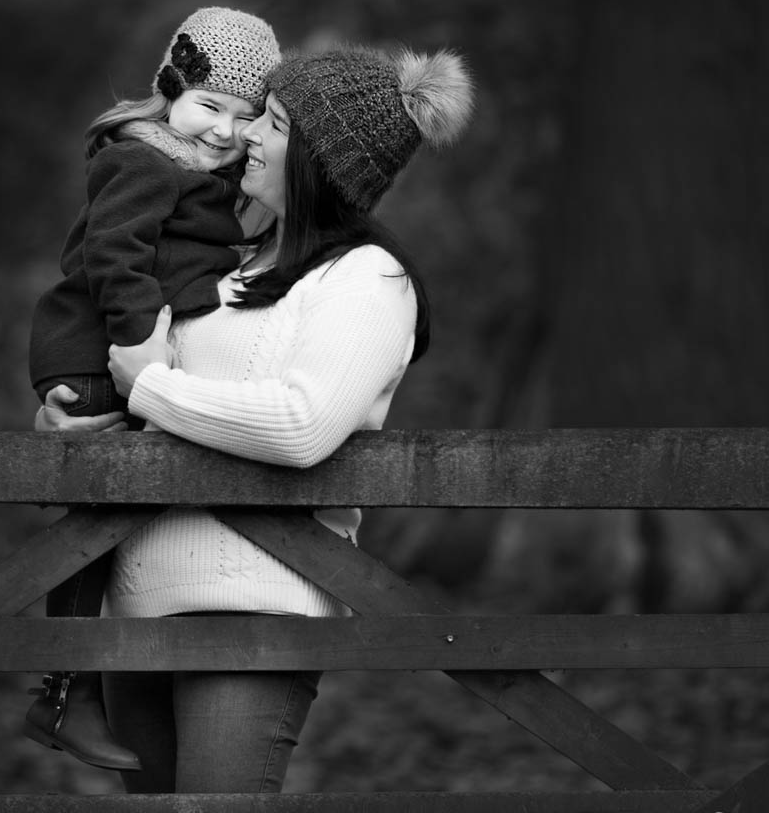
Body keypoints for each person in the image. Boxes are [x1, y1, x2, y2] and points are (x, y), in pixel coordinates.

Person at [36, 43, 475, 793]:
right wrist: (69, 419)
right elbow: (129, 369)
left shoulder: (367, 280)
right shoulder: (228, 265)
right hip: (138, 607)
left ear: (314, 160)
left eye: (270, 123)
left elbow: (302, 425)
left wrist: (150, 390)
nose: (247, 136)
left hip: (256, 610)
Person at [23, 6, 282, 771]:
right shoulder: (142, 160)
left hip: (118, 350)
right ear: (169, 87)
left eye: (246, 116)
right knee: (97, 513)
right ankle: (65, 695)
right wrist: (141, 346)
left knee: (111, 511)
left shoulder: (200, 170)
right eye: (210, 105)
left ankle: (75, 689)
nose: (226, 130)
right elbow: (114, 255)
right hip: (98, 348)